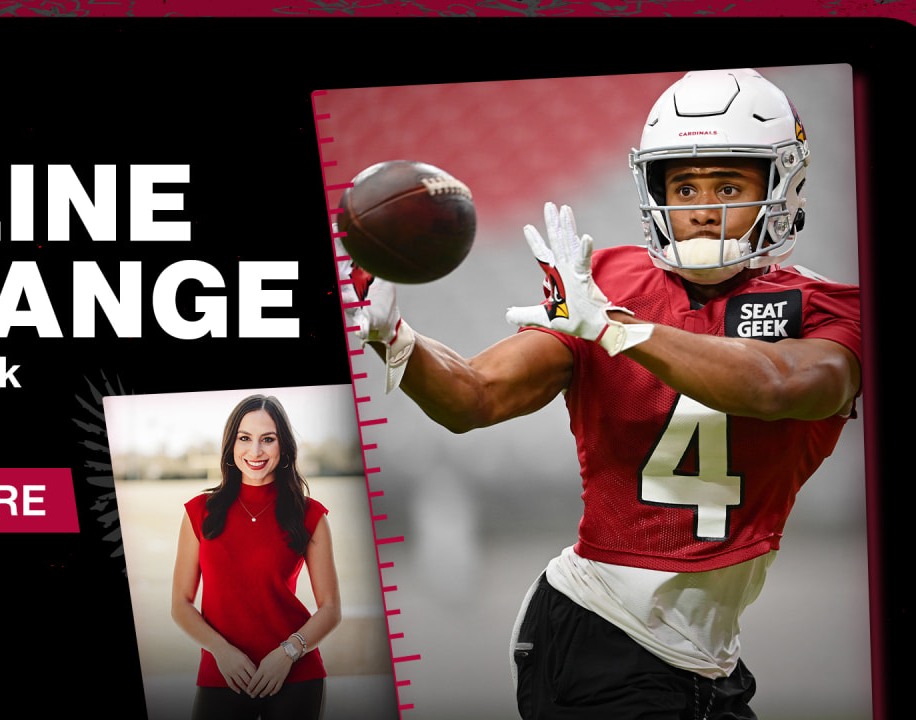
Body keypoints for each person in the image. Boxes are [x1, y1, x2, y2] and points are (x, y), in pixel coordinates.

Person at [340, 69, 861, 719]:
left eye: (728, 184)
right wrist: (399, 340)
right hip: (598, 634)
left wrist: (619, 329)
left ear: (784, 185)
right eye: (684, 184)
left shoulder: (824, 307)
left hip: (703, 657)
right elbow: (474, 397)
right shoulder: (602, 284)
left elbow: (785, 387)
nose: (702, 207)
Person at [171, 394, 342, 720]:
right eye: (245, 438)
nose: (255, 451)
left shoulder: (310, 515)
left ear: (284, 447)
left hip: (294, 676)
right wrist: (221, 652)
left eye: (268, 439)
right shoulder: (199, 511)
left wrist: (287, 654)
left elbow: (331, 609)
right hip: (222, 674)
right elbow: (180, 603)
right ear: (231, 445)